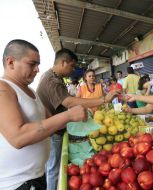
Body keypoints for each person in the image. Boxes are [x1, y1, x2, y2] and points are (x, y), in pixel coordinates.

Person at [0, 39, 87, 190]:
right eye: (32, 64)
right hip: (18, 183)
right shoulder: (3, 88)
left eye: (38, 64)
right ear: (11, 62)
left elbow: (49, 120)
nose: (37, 69)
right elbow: (17, 136)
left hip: (36, 176)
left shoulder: (30, 91)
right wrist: (69, 115)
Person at [36, 49, 117, 190]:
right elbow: (69, 102)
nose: (73, 70)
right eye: (72, 66)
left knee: (53, 167)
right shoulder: (53, 81)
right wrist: (104, 99)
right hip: (52, 131)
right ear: (63, 62)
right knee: (53, 169)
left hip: (53, 129)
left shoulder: (53, 76)